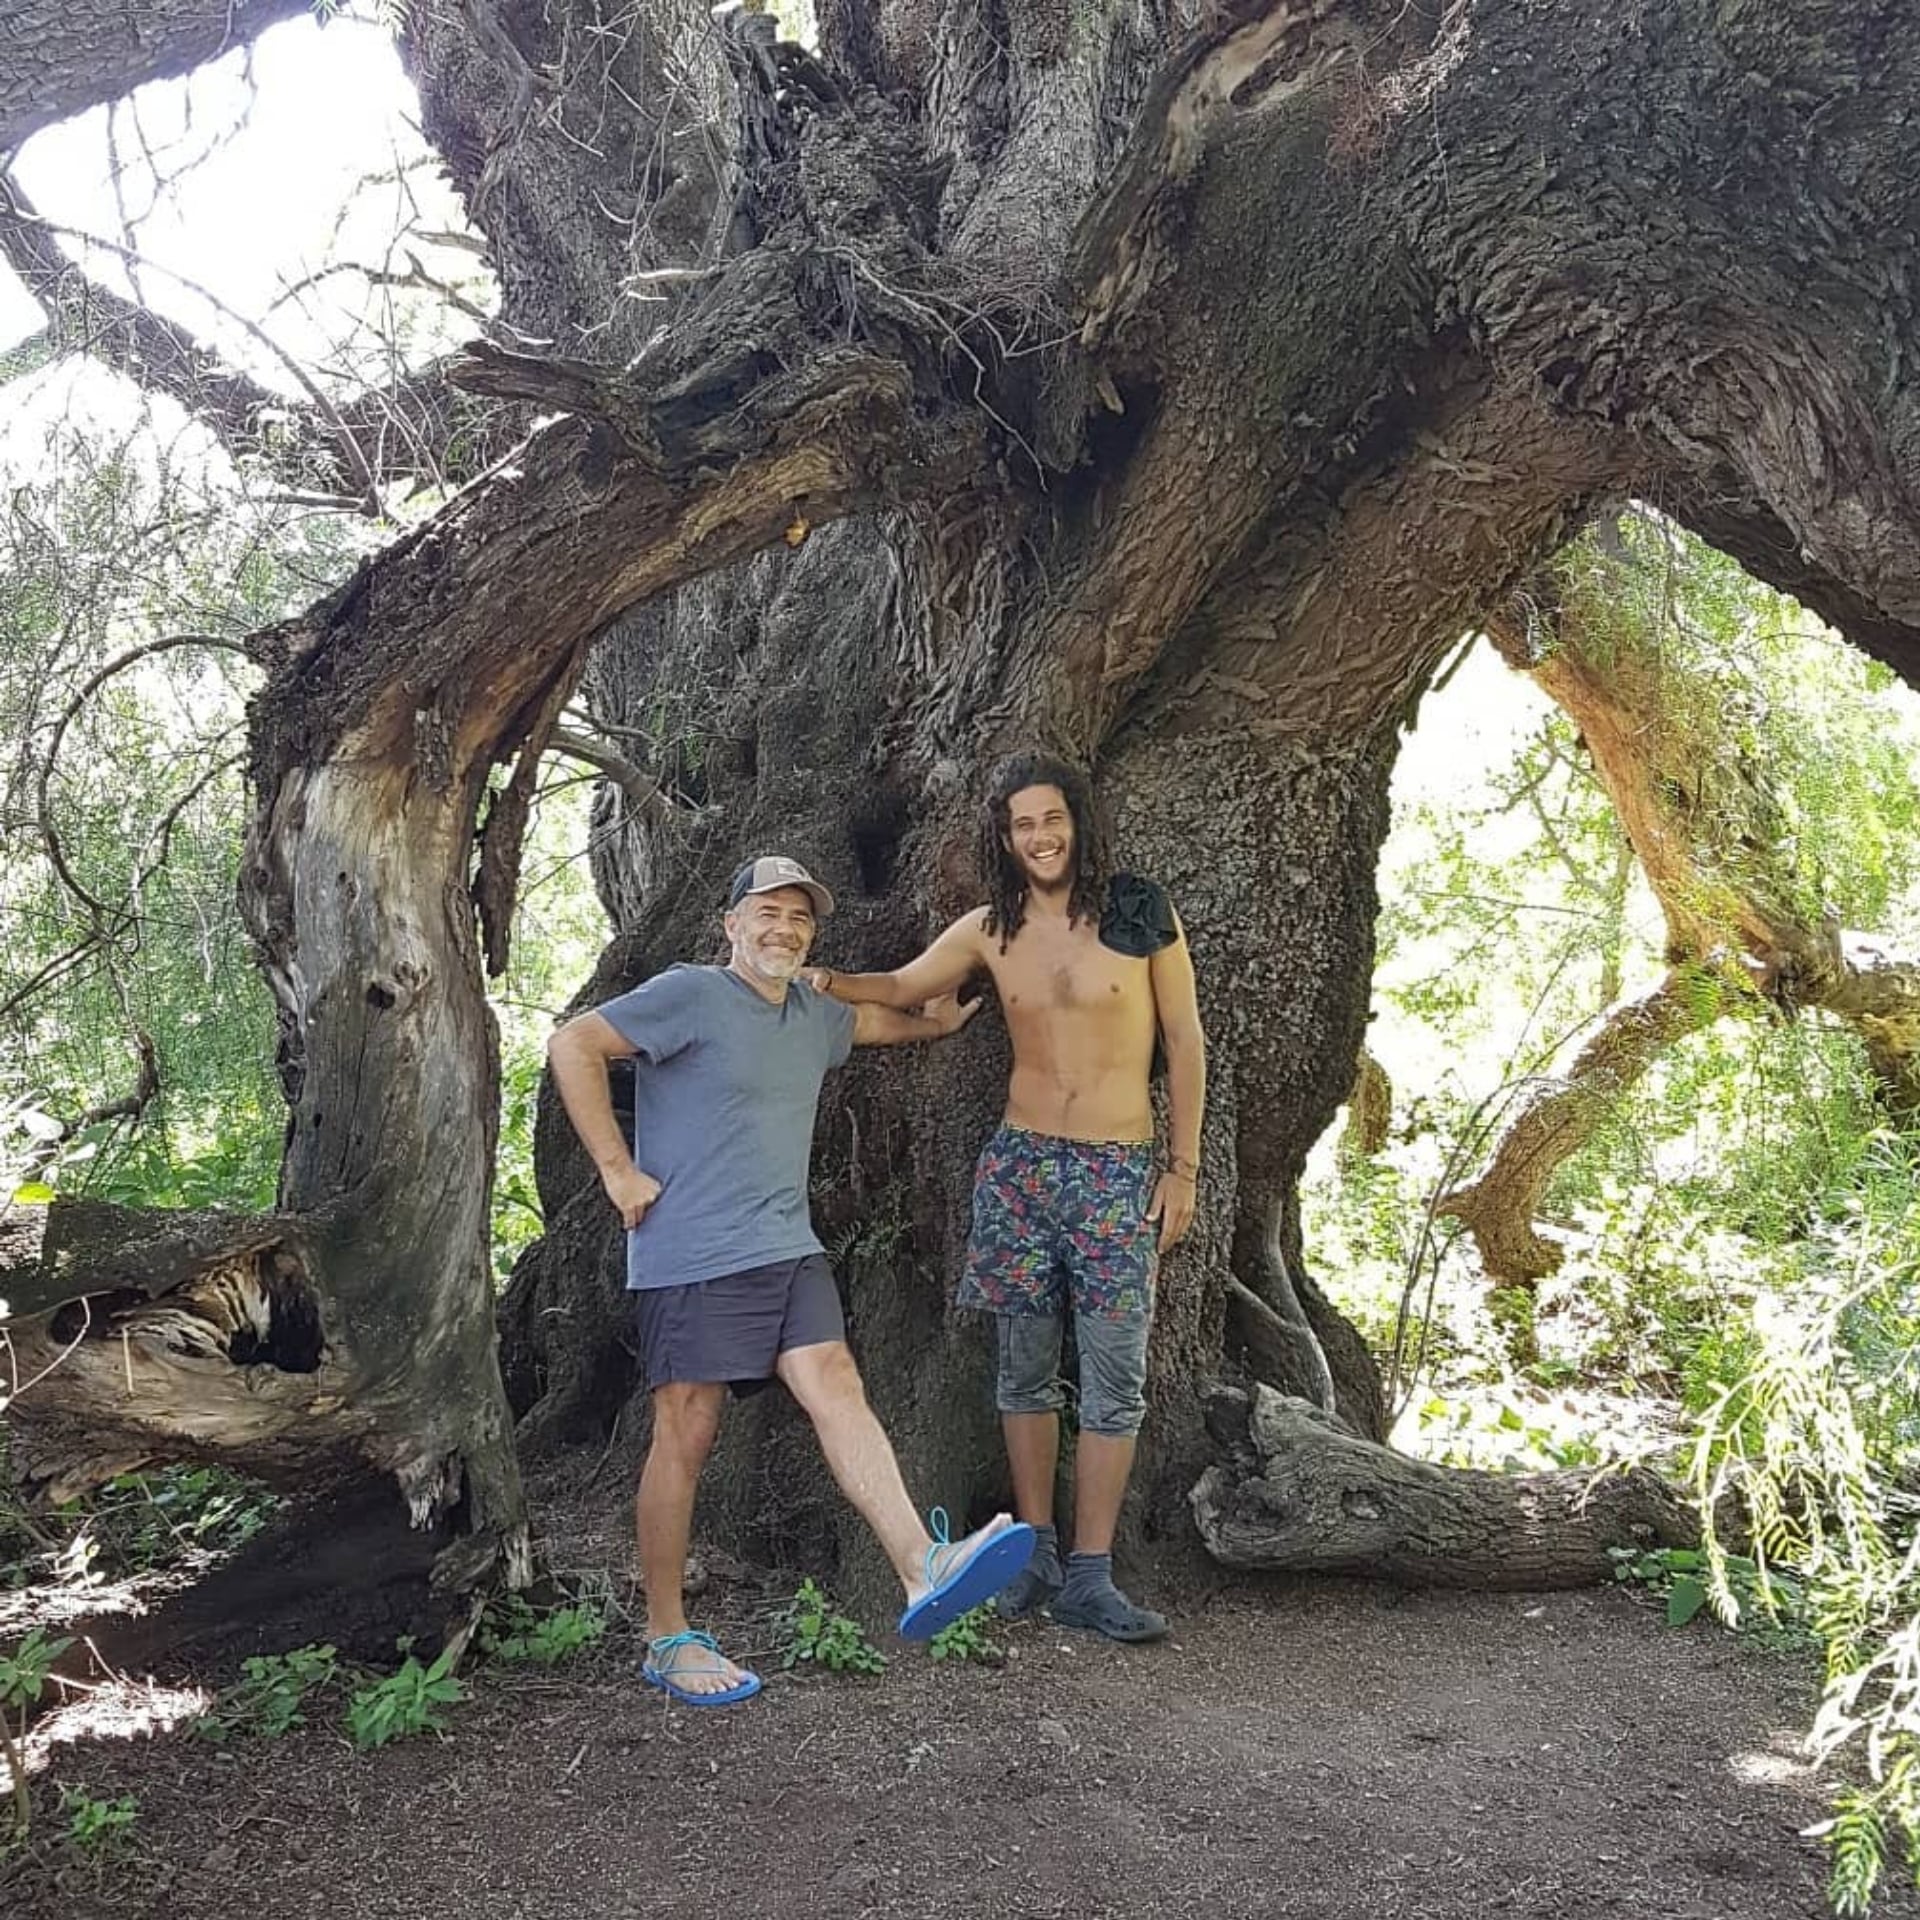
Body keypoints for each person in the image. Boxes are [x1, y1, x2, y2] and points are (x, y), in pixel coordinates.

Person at [547, 853, 1035, 1706]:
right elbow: (573, 1043)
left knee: (835, 1380)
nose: (783, 928)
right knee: (686, 1432)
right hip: (693, 1251)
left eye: (799, 918)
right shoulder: (690, 993)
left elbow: (880, 1026)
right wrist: (618, 1173)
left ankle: (923, 1566)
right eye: (766, 913)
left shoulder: (812, 1011)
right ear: (731, 924)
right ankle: (668, 1636)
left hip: (785, 1245)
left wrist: (940, 1024)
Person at [807, 755, 1206, 1642]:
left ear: (1079, 822)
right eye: (1023, 825)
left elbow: (1184, 1041)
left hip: (1115, 1173)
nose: (1040, 837)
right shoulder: (993, 927)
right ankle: (1035, 1556)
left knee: (1114, 1382)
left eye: (1052, 819)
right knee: (1022, 1371)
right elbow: (907, 986)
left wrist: (1181, 1169)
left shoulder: (1141, 910)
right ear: (1005, 836)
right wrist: (826, 982)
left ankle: (1092, 1579)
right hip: (1019, 1171)